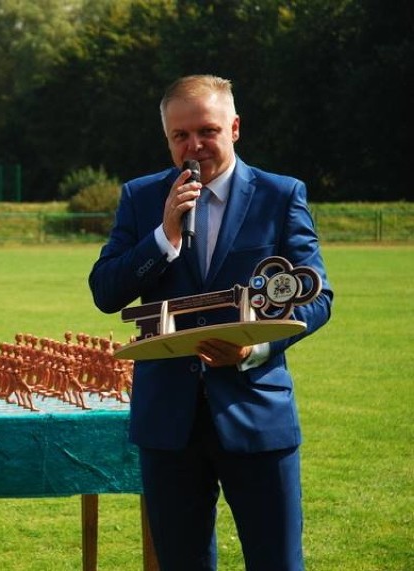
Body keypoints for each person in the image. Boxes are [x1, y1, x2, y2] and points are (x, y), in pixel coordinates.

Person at [89, 75, 333, 570]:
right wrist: (164, 236)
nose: (193, 146)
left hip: (257, 414)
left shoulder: (280, 195)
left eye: (206, 131)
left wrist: (255, 348)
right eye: (180, 136)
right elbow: (105, 291)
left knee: (278, 562)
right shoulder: (141, 198)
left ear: (235, 127)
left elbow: (318, 296)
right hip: (167, 424)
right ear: (167, 139)